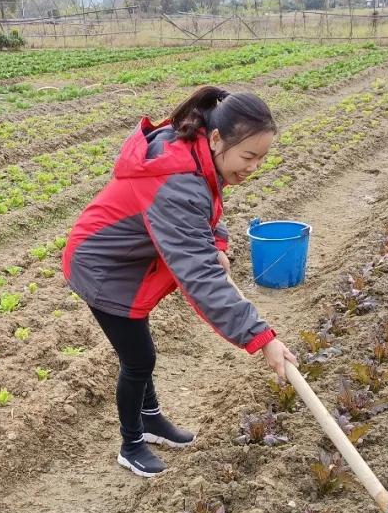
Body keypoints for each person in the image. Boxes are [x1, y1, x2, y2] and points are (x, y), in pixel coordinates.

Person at [63, 86, 297, 478]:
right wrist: (261, 338)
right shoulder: (176, 177)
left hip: (131, 259)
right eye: (249, 155)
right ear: (218, 138)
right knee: (139, 360)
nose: (254, 166)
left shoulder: (199, 154)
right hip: (103, 267)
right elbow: (199, 274)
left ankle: (151, 420)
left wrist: (217, 242)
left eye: (263, 157)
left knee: (141, 352)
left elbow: (207, 204)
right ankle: (131, 442)